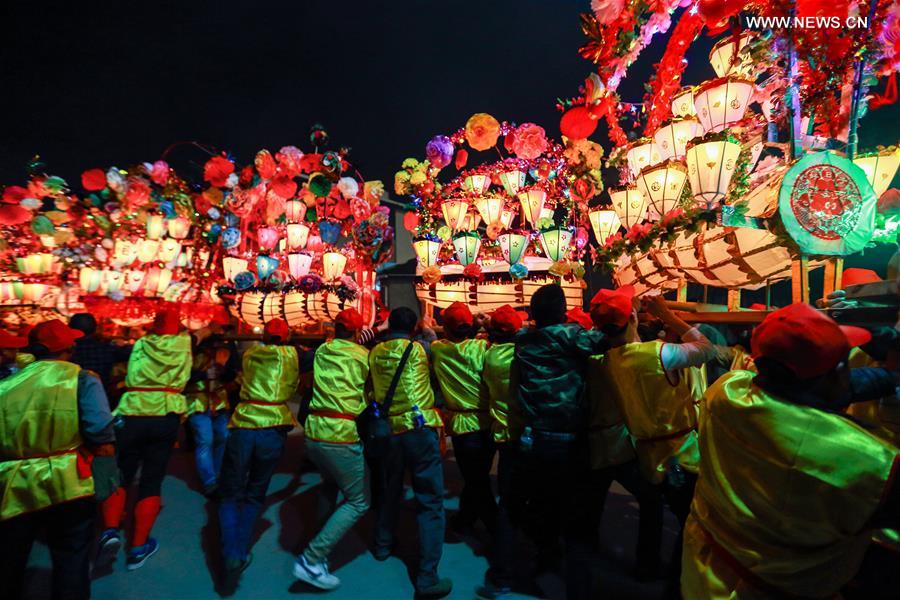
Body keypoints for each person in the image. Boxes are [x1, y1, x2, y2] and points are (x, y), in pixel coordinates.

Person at [681, 303, 900, 599]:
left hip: (705, 571)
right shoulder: (869, 461)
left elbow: (810, 388)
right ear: (836, 374)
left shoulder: (726, 391)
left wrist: (885, 379)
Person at [590, 288, 715, 597]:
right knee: (692, 525)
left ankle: (647, 566)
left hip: (646, 455)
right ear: (633, 317)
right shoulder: (660, 353)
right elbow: (707, 349)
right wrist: (667, 315)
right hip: (683, 455)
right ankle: (677, 586)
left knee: (652, 507)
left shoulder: (603, 362)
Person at [0, 319, 117, 600]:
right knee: (71, 557)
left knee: (10, 561)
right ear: (68, 347)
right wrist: (106, 477)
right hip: (69, 482)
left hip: (15, 485)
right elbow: (100, 430)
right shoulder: (81, 378)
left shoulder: (7, 384)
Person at [510, 284, 609, 599]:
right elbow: (605, 340)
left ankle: (545, 569)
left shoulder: (523, 342)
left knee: (544, 504)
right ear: (562, 310)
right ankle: (577, 586)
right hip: (570, 438)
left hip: (537, 437)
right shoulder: (569, 336)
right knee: (578, 516)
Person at [99, 309, 192, 570]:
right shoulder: (184, 343)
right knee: (152, 478)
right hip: (166, 413)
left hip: (132, 411)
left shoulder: (141, 343)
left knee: (122, 472)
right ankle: (138, 547)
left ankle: (110, 531)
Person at [369, 307, 452, 599]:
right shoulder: (420, 349)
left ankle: (382, 544)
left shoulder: (374, 353)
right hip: (420, 428)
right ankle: (427, 577)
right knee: (430, 501)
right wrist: (427, 329)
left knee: (390, 489)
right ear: (414, 327)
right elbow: (433, 341)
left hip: (390, 431)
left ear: (389, 325)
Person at [585, 304, 665, 581]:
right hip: (618, 444)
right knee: (651, 500)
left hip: (591, 444)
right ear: (631, 320)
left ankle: (585, 560)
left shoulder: (590, 359)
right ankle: (647, 564)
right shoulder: (637, 358)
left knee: (591, 505)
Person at [293, 308, 371, 591]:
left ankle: (319, 542)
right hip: (340, 435)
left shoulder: (322, 352)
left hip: (313, 432)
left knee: (329, 484)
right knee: (359, 500)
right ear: (355, 332)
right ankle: (312, 559)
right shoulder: (363, 357)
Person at [219, 318, 299, 589]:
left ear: (264, 335)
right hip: (273, 427)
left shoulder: (249, 354)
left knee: (230, 492)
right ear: (286, 336)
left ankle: (232, 552)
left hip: (243, 424)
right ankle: (239, 550)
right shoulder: (292, 354)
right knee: (255, 492)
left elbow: (230, 377)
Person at [431, 302, 497, 534]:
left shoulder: (438, 349)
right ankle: (466, 518)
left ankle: (498, 529)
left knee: (476, 481)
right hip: (489, 424)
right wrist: (486, 324)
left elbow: (428, 333)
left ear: (446, 329)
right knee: (477, 477)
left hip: (463, 427)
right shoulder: (484, 347)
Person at [476, 304, 526, 599]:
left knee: (508, 501)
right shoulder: (524, 355)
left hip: (502, 433)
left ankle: (504, 569)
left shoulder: (488, 355)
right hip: (527, 434)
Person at [185, 330, 238, 497]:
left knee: (223, 437)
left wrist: (223, 366)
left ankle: (218, 476)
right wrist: (204, 374)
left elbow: (231, 375)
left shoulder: (226, 353)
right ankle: (210, 482)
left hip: (219, 402)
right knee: (205, 440)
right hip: (198, 402)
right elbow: (183, 375)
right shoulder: (190, 352)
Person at [69, 313, 132, 398]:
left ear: (69, 328)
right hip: (100, 394)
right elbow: (135, 352)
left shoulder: (65, 350)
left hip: (69, 394)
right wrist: (125, 344)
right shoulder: (107, 348)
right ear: (95, 328)